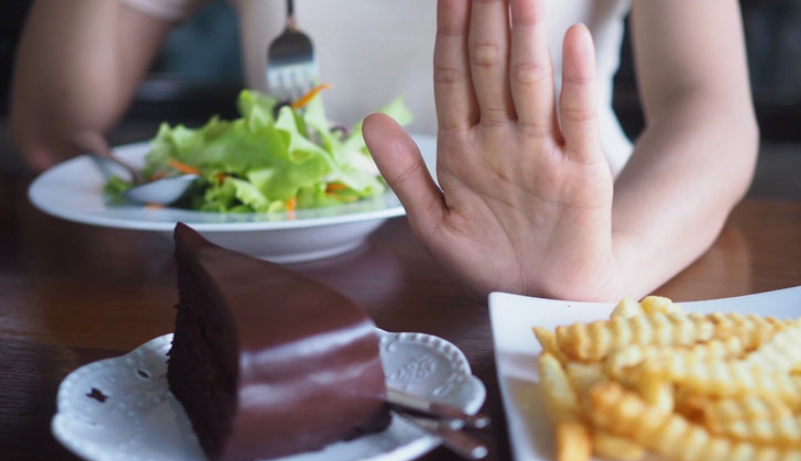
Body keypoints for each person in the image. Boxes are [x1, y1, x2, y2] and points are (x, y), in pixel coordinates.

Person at [9, 0, 759, 302]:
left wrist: (606, 263)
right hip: (288, 273)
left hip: (599, 242)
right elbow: (55, 117)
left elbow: (712, 107)